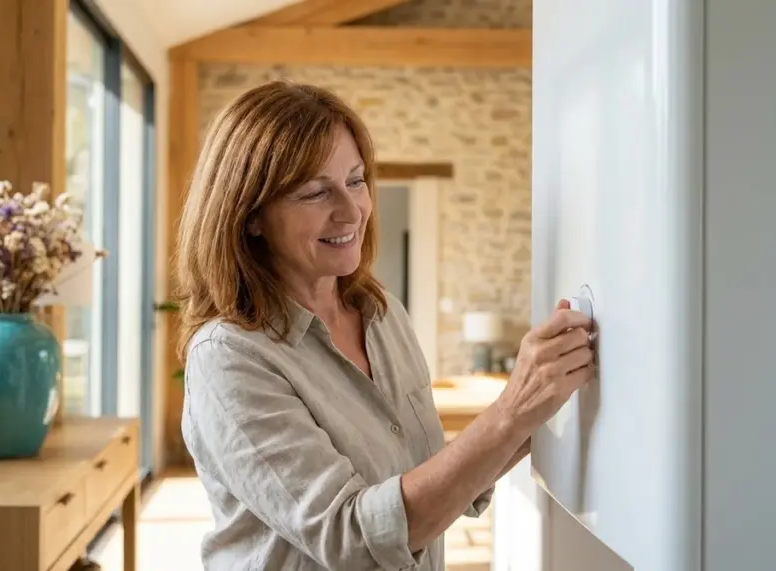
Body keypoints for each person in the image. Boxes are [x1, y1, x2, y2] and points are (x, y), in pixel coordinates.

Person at [175, 80, 595, 570]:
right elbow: (353, 540)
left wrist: (539, 407)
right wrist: (510, 411)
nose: (352, 210)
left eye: (355, 181)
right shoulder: (228, 358)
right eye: (315, 192)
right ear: (250, 217)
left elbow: (428, 477)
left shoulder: (382, 314)